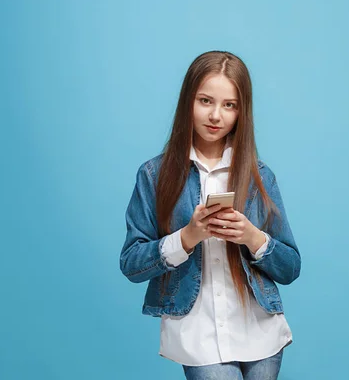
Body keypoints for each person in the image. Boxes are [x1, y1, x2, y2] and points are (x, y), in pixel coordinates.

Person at [120, 51, 301, 380]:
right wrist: (187, 237)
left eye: (229, 105)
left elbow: (290, 267)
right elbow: (132, 264)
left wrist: (252, 237)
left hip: (260, 330)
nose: (216, 115)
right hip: (197, 332)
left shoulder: (259, 177)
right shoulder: (154, 175)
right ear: (187, 100)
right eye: (205, 100)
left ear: (241, 111)